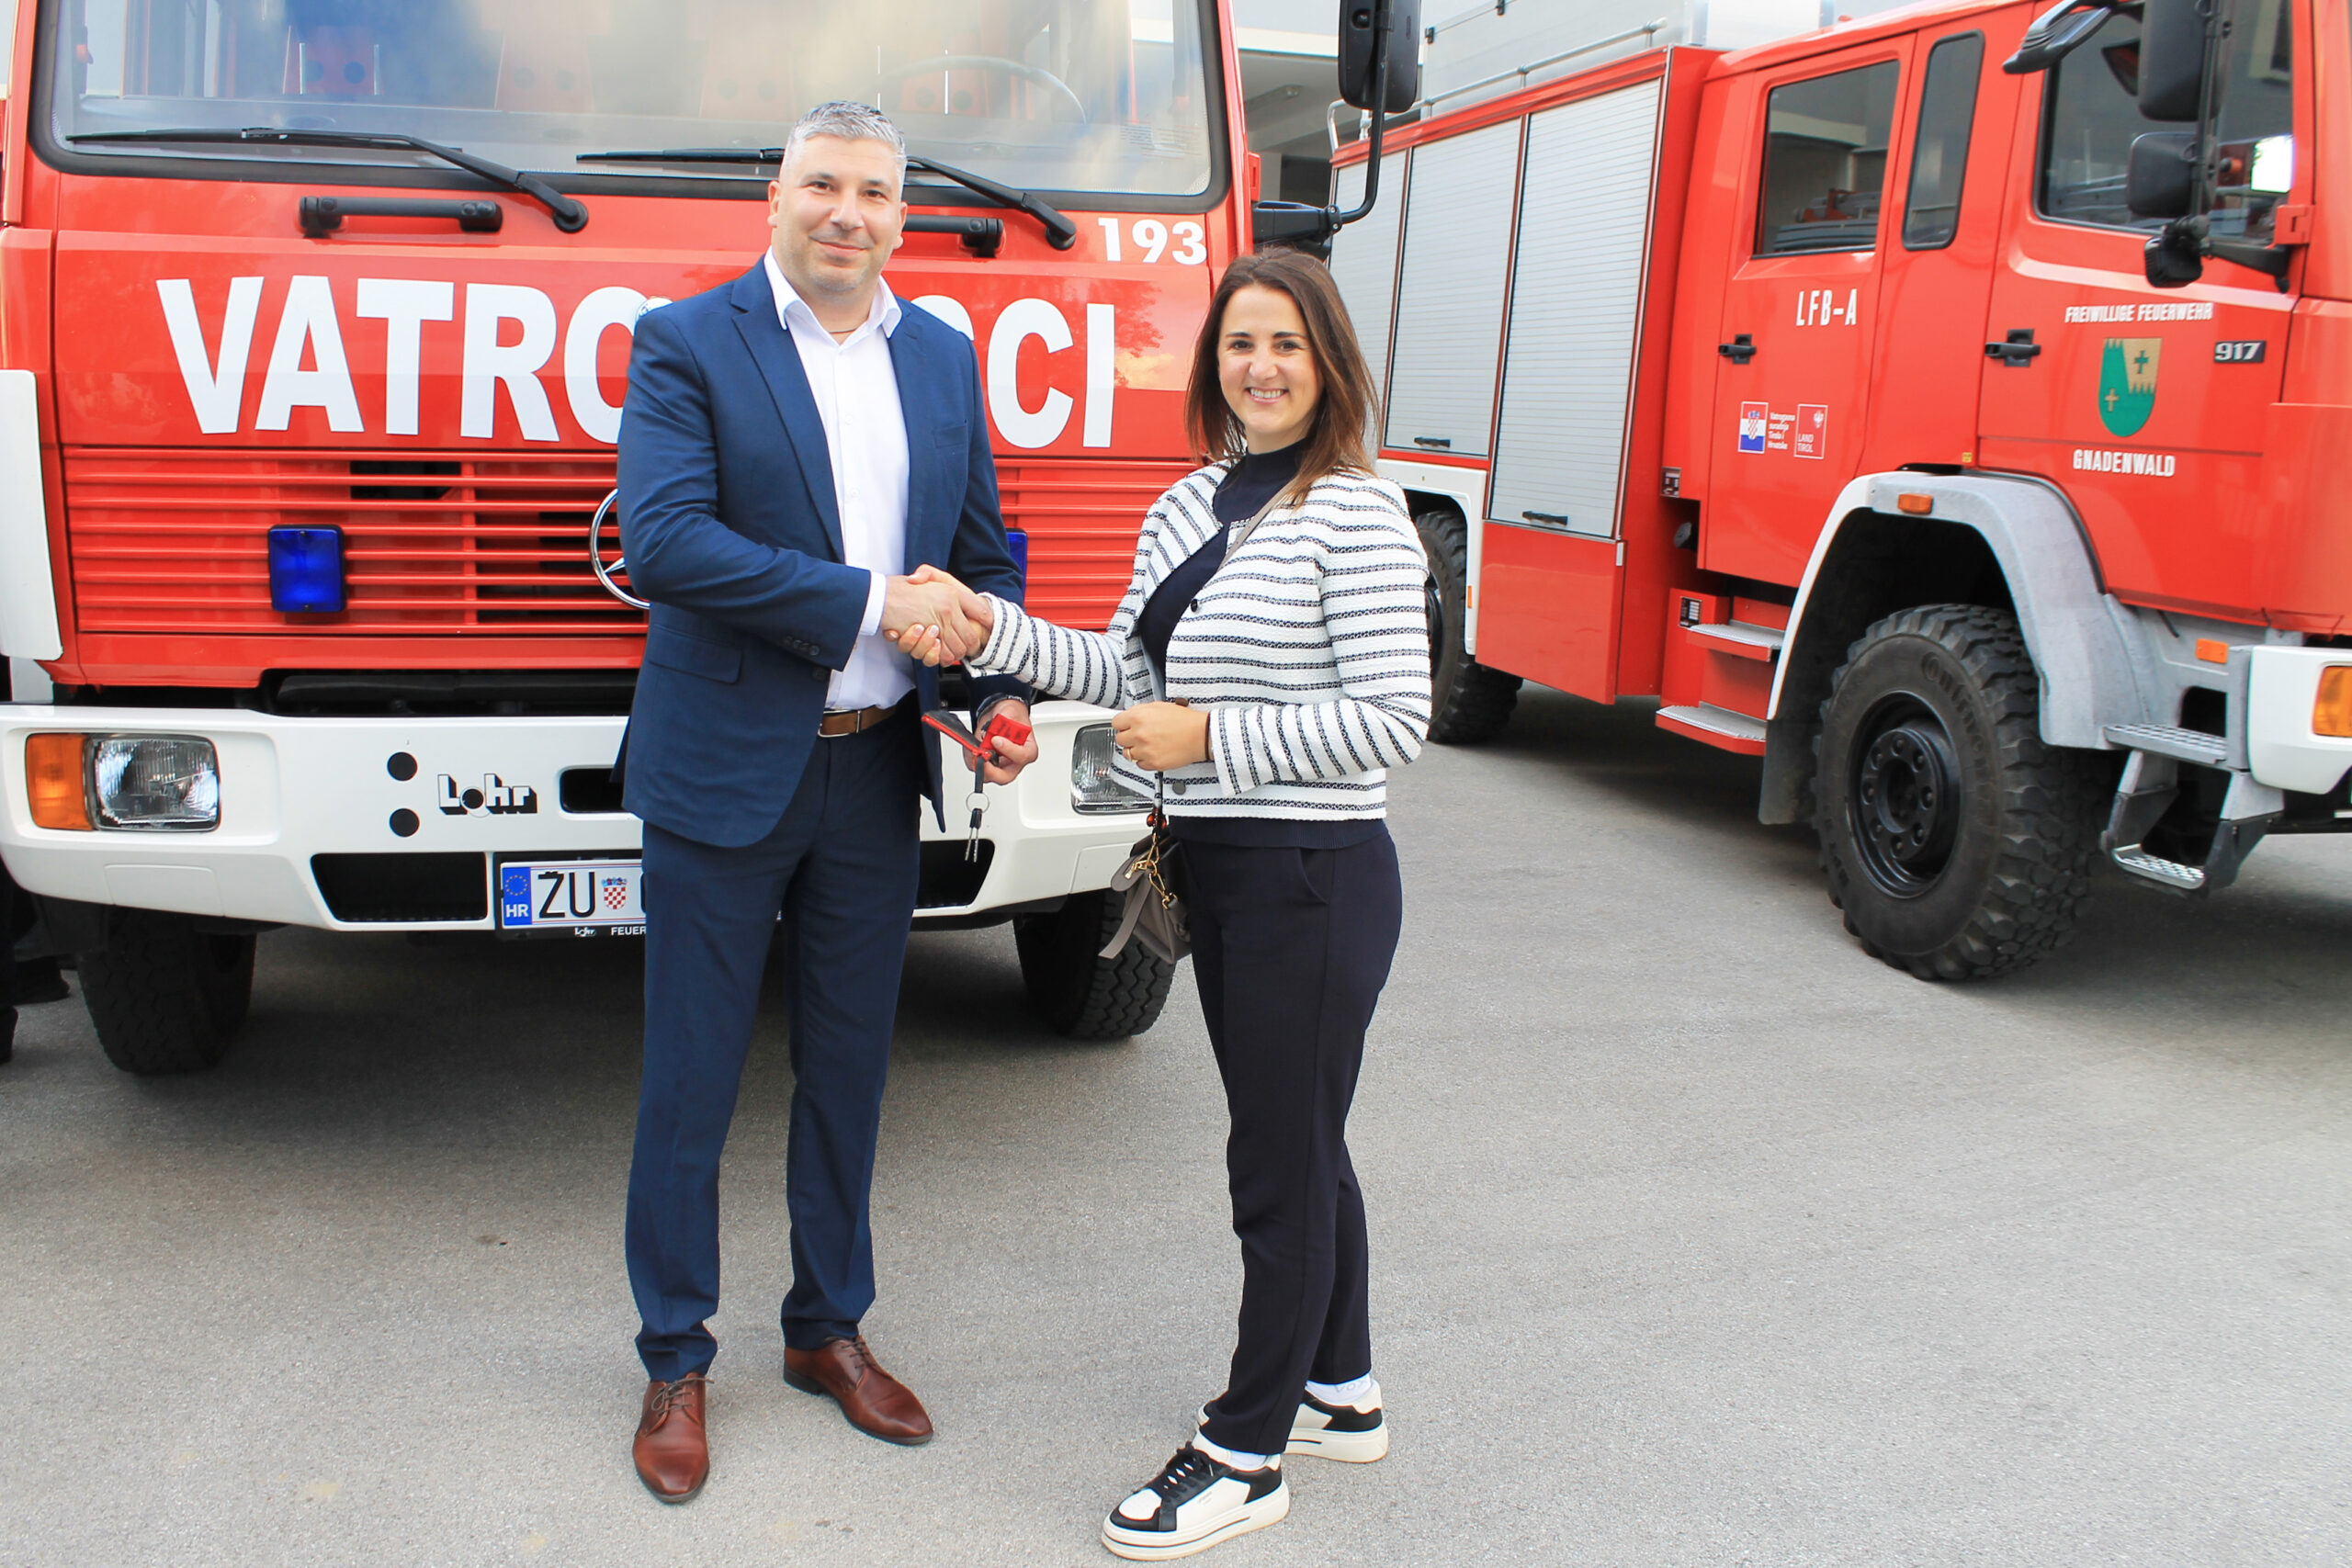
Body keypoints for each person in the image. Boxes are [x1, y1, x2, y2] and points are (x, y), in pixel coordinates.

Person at [897, 249, 1430, 1560]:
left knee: (1277, 1162)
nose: (1262, 366)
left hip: (1314, 876)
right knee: (1301, 1138)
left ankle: (1246, 1452)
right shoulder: (1190, 500)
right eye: (1241, 343)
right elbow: (1128, 667)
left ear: (1331, 363)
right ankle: (1340, 1391)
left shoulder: (1360, 512)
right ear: (1214, 363)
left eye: (1288, 344)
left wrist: (1211, 740)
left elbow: (1393, 719)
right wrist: (989, 630)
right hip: (1223, 868)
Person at [611, 99, 1035, 1506]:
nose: (847, 212)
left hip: (872, 770)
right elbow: (667, 543)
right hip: (723, 770)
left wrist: (995, 696)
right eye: (823, 186)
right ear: (776, 199)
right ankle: (676, 1357)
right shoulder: (687, 342)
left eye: (873, 192)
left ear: (902, 216)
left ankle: (825, 1329)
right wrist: (869, 601)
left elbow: (979, 561)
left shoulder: (943, 357)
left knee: (849, 1069)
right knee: (691, 1078)